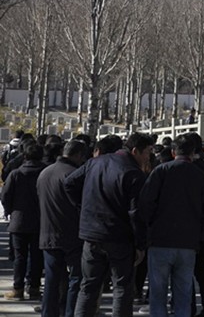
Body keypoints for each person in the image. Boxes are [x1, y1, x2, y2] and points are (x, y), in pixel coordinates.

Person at [65, 132, 154, 317]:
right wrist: (140, 245)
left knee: (88, 286)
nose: (148, 157)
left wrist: (85, 209)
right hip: (120, 237)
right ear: (135, 151)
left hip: (92, 234)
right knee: (122, 288)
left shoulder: (95, 162)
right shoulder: (133, 173)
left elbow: (70, 183)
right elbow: (136, 213)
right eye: (147, 152)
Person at [138, 133, 204, 317]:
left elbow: (146, 203)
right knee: (183, 293)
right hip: (188, 243)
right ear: (193, 153)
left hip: (160, 240)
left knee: (158, 293)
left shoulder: (161, 171)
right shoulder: (201, 176)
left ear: (173, 152)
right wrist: (200, 235)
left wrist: (149, 227)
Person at [37, 139, 89, 317]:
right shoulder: (74, 174)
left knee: (51, 280)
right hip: (72, 234)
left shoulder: (45, 173)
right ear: (79, 155)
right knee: (76, 278)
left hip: (47, 233)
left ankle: (48, 313)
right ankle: (70, 312)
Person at [2, 142, 47, 301]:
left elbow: (5, 196)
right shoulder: (45, 172)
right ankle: (34, 287)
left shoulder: (16, 174)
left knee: (19, 257)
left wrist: (9, 211)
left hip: (19, 220)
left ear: (25, 156)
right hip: (40, 220)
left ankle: (18, 288)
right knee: (37, 256)